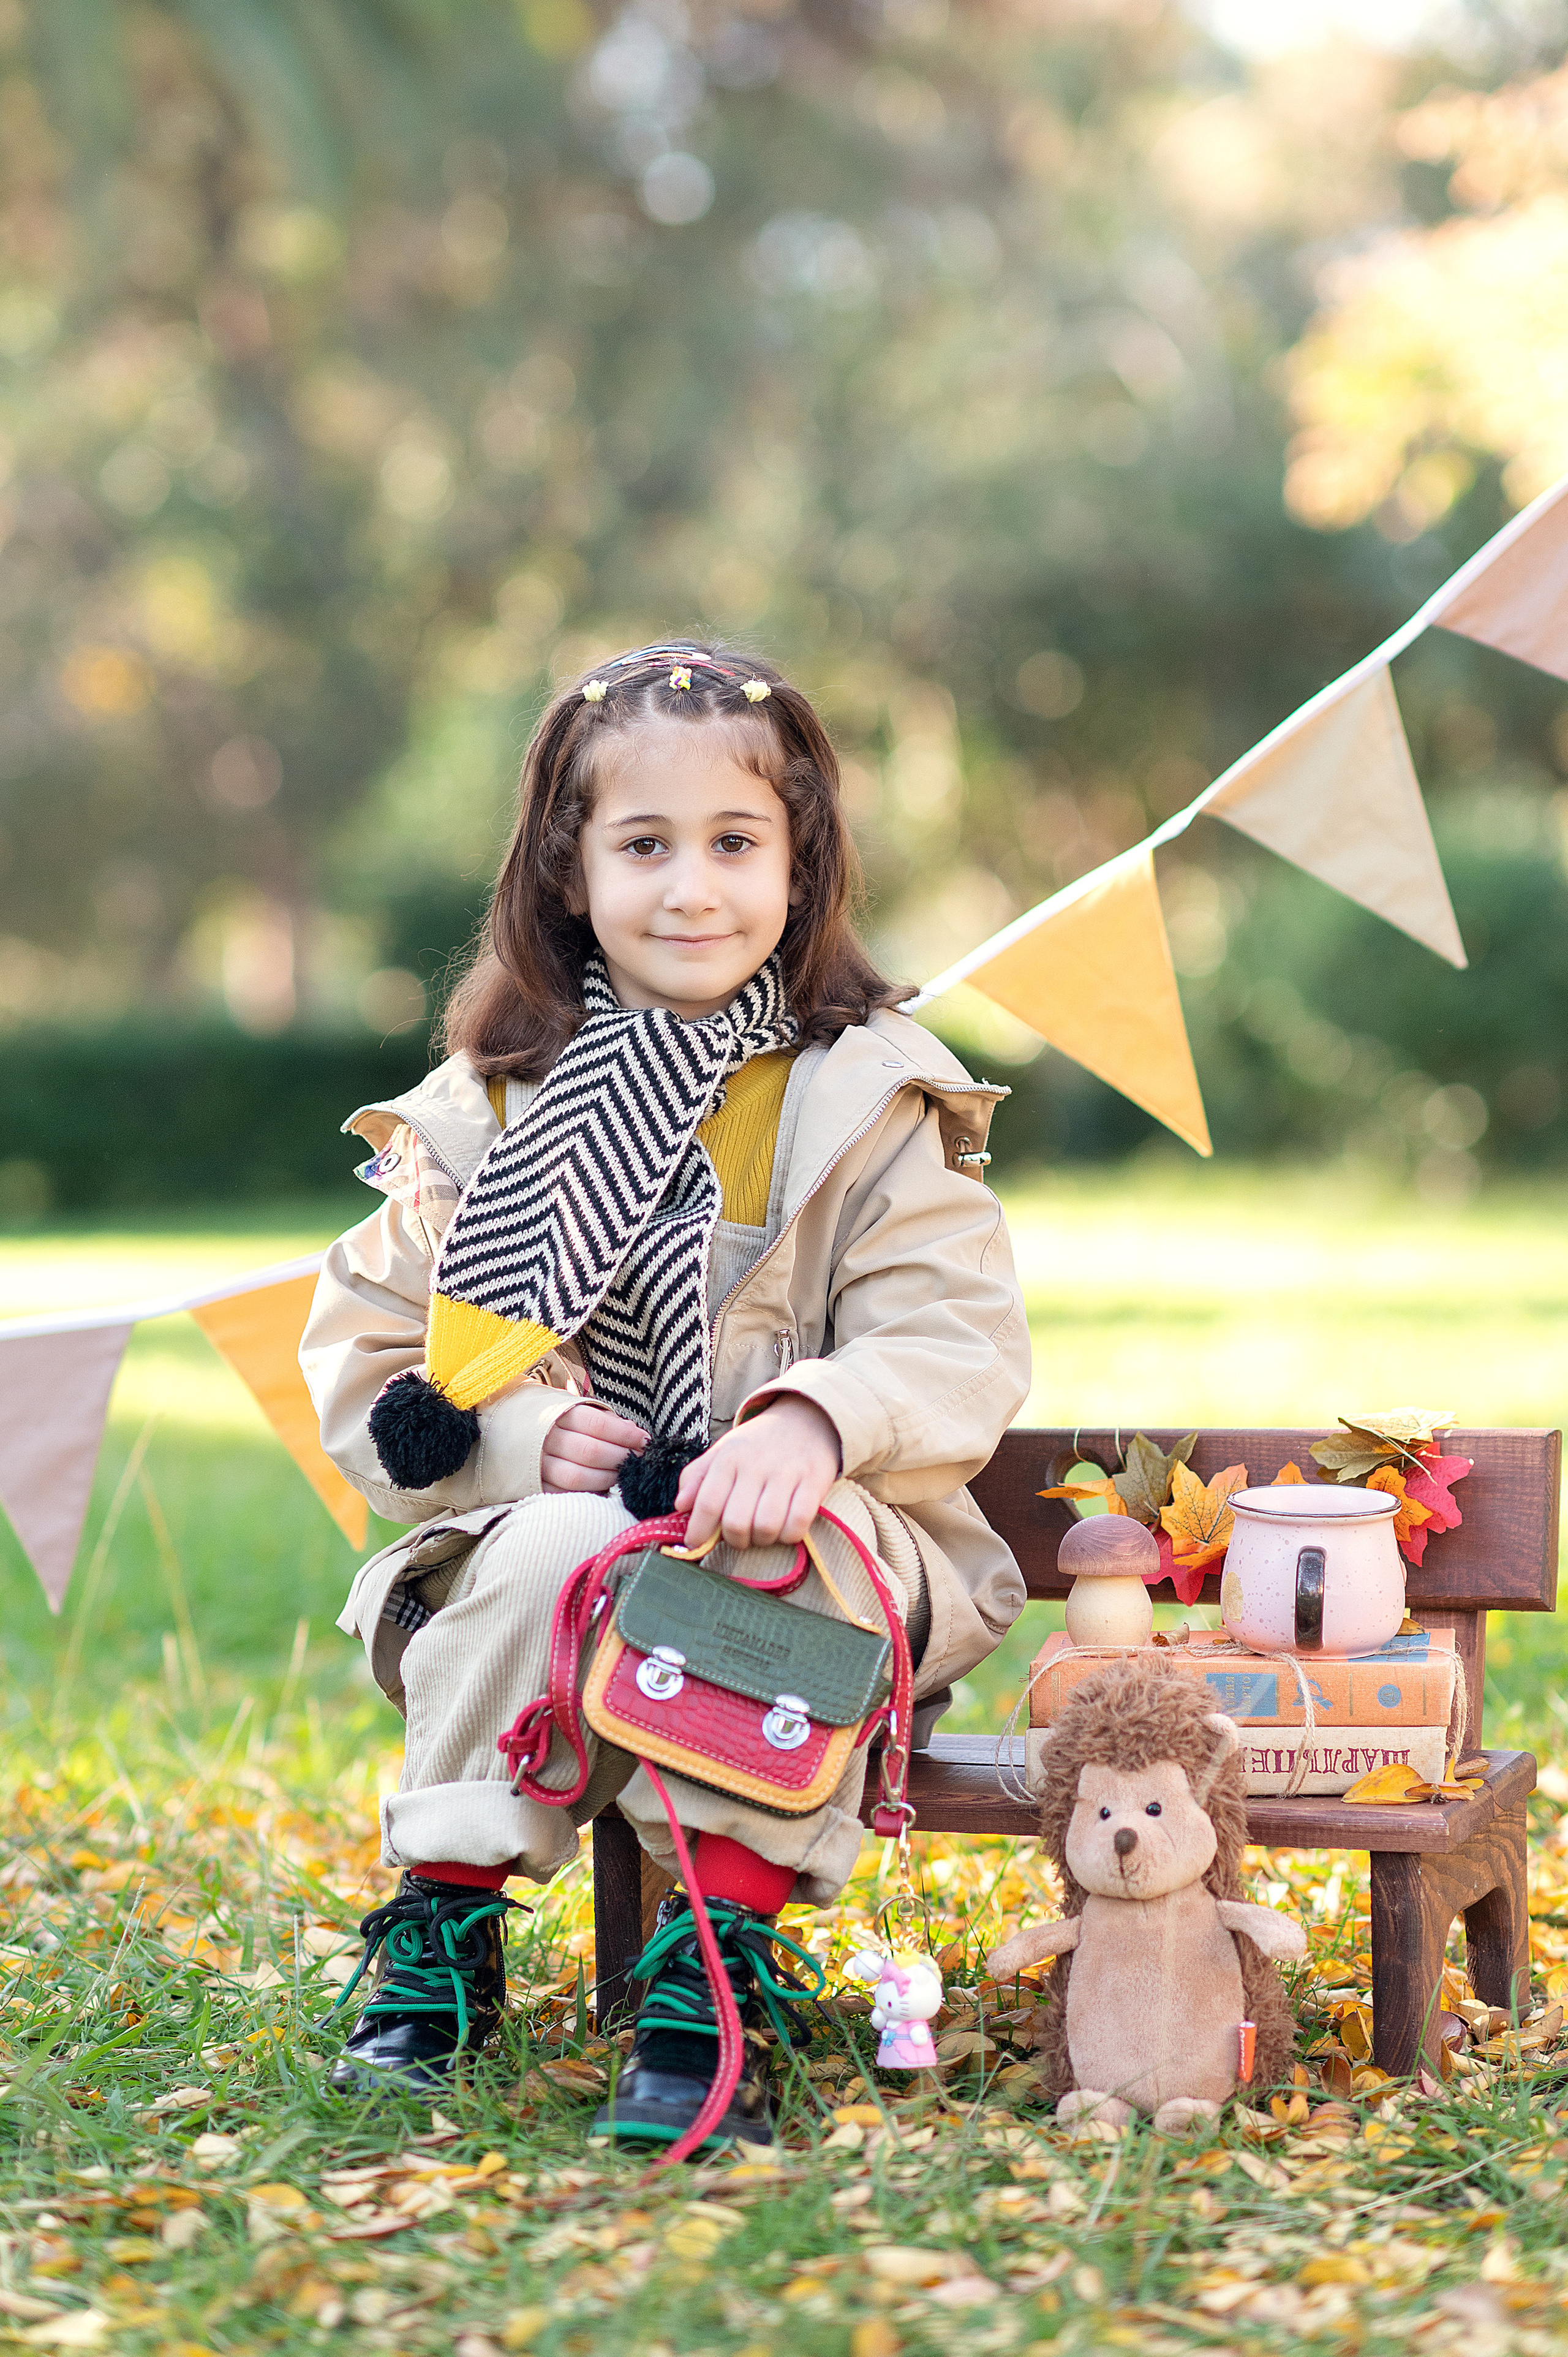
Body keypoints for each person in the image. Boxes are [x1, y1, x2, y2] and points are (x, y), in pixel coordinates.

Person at [301, 640, 1030, 2148]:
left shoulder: (868, 1095)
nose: (689, 888)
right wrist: (509, 1434)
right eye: (643, 845)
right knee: (563, 1546)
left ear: (797, 860)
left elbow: (953, 1333)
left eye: (732, 843)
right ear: (569, 870)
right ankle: (443, 1928)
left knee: (761, 1558)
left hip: (815, 1539)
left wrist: (816, 1419)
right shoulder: (476, 1118)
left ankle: (714, 1960)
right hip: (554, 1556)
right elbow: (371, 1363)